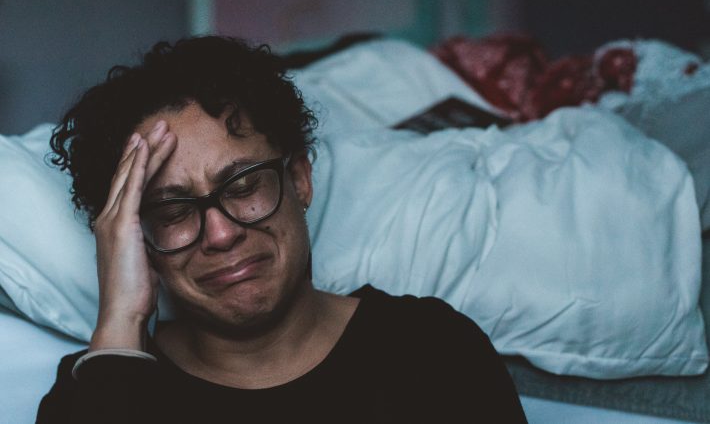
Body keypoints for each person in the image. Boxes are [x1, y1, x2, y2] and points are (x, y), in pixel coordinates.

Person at [36, 36, 527, 423]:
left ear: (299, 179)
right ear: (136, 239)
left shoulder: (431, 350)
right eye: (173, 212)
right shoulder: (96, 387)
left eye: (244, 185)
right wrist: (120, 319)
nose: (221, 235)